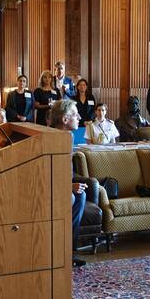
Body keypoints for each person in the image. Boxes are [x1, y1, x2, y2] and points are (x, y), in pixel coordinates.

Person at [49, 99, 89, 267]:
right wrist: (67, 187)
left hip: (63, 183)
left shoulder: (69, 136)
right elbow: (49, 173)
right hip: (50, 187)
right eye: (75, 114)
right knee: (72, 197)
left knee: (80, 196)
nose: (79, 117)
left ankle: (68, 252)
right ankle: (56, 252)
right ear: (64, 120)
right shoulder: (52, 139)